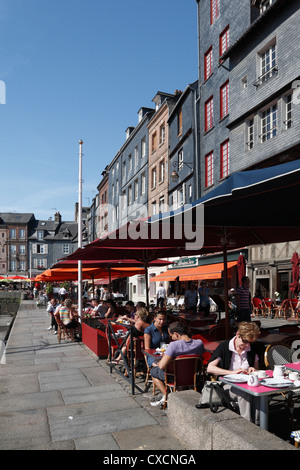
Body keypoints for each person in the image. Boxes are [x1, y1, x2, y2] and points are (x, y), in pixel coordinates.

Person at [207, 321, 261, 424]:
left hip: (247, 383)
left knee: (258, 392)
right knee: (244, 393)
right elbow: (210, 368)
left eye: (250, 342)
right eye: (245, 341)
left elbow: (257, 369)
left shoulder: (252, 349)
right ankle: (248, 425)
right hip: (227, 385)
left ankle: (258, 423)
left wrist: (253, 370)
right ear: (237, 334)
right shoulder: (224, 347)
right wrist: (232, 372)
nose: (247, 345)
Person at [150, 322, 205, 407]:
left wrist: (158, 363)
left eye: (171, 336)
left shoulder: (174, 345)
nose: (171, 338)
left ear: (176, 334)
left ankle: (167, 395)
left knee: (153, 371)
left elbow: (162, 366)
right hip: (193, 376)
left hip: (176, 377)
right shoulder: (199, 343)